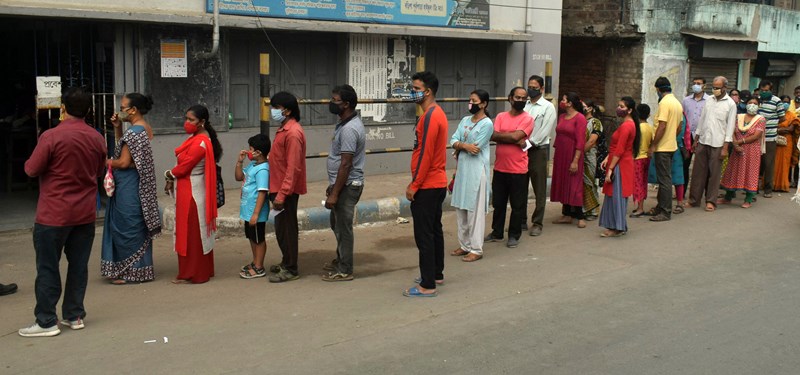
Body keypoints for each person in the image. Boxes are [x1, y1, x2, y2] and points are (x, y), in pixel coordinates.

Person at [19, 87, 106, 337]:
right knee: (78, 266)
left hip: (54, 213)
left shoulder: (51, 137)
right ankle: (74, 314)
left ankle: (46, 320)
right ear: (89, 110)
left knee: (48, 267)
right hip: (85, 213)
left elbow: (31, 169)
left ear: (63, 108)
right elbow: (99, 172)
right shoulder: (97, 138)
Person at [101, 93, 161, 285]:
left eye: (123, 107)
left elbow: (124, 161)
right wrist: (118, 129)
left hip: (129, 184)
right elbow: (128, 151)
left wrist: (103, 162)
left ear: (133, 110)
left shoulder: (134, 132)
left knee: (126, 224)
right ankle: (139, 269)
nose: (120, 111)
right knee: (135, 223)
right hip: (138, 184)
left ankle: (128, 271)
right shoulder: (143, 128)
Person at [164, 105, 222, 284]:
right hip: (189, 188)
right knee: (195, 232)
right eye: (186, 118)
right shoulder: (197, 137)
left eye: (191, 120)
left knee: (192, 234)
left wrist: (168, 174)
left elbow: (184, 167)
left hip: (192, 192)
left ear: (202, 122)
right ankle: (199, 270)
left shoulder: (200, 142)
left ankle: (194, 273)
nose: (187, 123)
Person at [403, 71, 448, 297]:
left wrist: (414, 184)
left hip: (428, 184)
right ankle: (436, 274)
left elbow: (425, 155)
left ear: (427, 91)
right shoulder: (435, 113)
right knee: (434, 230)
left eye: (416, 88)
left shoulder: (430, 116)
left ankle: (427, 284)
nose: (412, 92)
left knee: (424, 235)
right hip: (436, 182)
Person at [322, 85, 366, 281]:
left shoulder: (349, 129)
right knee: (336, 223)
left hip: (348, 184)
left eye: (335, 100)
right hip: (341, 183)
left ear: (346, 104)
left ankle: (345, 268)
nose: (331, 103)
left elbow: (346, 164)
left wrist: (334, 193)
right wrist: (333, 185)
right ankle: (341, 258)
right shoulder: (344, 123)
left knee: (343, 227)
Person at [485, 87, 534, 248]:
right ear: (510, 98)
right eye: (517, 97)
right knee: (498, 203)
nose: (520, 100)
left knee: (517, 205)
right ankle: (497, 232)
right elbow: (492, 135)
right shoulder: (500, 116)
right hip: (500, 168)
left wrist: (507, 137)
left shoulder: (528, 119)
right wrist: (512, 137)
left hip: (518, 170)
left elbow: (515, 136)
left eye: (523, 98)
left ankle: (514, 235)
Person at [267, 92, 308, 283]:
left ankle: (291, 268)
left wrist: (282, 195)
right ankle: (286, 261)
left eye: (276, 108)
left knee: (288, 229)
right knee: (281, 229)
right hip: (278, 186)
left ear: (287, 110)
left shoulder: (292, 133)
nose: (273, 111)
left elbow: (293, 167)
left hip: (286, 190)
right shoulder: (284, 129)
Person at [449, 89, 493, 262]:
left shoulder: (487, 124)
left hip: (476, 171)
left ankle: (476, 248)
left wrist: (461, 146)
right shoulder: (465, 120)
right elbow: (453, 140)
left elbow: (477, 148)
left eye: (474, 101)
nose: (471, 103)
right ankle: (464, 245)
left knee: (474, 211)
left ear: (483, 104)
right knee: (461, 207)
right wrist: (463, 146)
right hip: (462, 170)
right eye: (470, 100)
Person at [688, 76, 737, 212]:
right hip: (703, 140)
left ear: (724, 88)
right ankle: (694, 200)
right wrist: (696, 139)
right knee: (698, 173)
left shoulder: (730, 104)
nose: (715, 90)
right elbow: (702, 120)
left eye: (717, 88)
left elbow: (730, 127)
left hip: (718, 143)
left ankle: (711, 201)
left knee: (714, 175)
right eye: (713, 87)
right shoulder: (709, 100)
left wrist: (725, 147)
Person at [599, 97, 641, 237]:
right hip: (619, 162)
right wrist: (607, 158)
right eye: (618, 105)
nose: (618, 108)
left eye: (622, 106)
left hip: (620, 164)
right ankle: (616, 225)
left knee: (616, 196)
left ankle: (617, 227)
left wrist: (610, 169)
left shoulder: (627, 126)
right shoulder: (628, 124)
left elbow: (620, 149)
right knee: (614, 195)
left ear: (630, 110)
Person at [523, 75, 557, 237]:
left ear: (542, 89)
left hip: (537, 150)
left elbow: (545, 131)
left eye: (535, 87)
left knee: (539, 188)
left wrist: (528, 144)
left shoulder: (547, 107)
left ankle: (537, 222)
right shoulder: (525, 105)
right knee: (520, 186)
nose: (531, 89)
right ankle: (520, 220)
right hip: (521, 150)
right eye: (529, 86)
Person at [647, 77, 683, 222]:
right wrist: (671, 137)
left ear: (658, 89)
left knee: (664, 180)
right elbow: (679, 127)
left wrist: (654, 144)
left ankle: (665, 211)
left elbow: (661, 126)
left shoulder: (664, 103)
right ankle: (660, 207)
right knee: (664, 178)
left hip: (663, 147)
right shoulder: (677, 103)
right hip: (671, 145)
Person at [719, 97, 766, 208]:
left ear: (759, 106)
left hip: (752, 150)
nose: (752, 105)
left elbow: (756, 136)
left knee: (750, 172)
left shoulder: (761, 119)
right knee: (733, 171)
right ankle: (728, 196)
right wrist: (735, 144)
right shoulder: (738, 117)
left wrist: (739, 142)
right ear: (746, 104)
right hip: (736, 149)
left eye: (755, 103)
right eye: (750, 103)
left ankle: (748, 199)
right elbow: (731, 130)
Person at [235, 134, 271, 279]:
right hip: (247, 211)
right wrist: (239, 162)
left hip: (255, 212)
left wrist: (256, 214)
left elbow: (262, 192)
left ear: (258, 152)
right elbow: (239, 177)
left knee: (258, 238)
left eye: (250, 149)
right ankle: (255, 261)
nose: (248, 151)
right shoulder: (253, 165)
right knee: (251, 237)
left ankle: (259, 266)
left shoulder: (263, 170)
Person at [551, 92, 587, 228]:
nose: (562, 101)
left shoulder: (580, 118)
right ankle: (566, 214)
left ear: (570, 103)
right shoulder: (561, 116)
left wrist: (575, 160)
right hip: (561, 154)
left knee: (574, 183)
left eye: (564, 100)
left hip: (573, 154)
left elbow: (581, 141)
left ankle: (580, 215)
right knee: (563, 182)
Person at [757, 80, 786, 198]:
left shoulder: (777, 101)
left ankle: (768, 189)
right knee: (756, 163)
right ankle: (753, 187)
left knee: (768, 163)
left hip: (770, 137)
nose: (764, 92)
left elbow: (782, 118)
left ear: (771, 90)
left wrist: (772, 124)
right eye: (762, 90)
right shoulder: (757, 100)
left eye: (766, 90)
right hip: (756, 137)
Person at [683, 77, 711, 188]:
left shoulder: (710, 100)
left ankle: (703, 192)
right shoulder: (686, 100)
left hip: (703, 136)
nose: (696, 85)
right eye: (694, 83)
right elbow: (683, 117)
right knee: (685, 164)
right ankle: (682, 191)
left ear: (704, 86)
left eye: (699, 83)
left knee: (703, 166)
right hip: (688, 136)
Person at [630, 104, 654, 217]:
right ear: (649, 114)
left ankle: (640, 208)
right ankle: (640, 206)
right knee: (643, 182)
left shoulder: (637, 128)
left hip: (637, 158)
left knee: (638, 183)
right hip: (646, 158)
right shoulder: (650, 127)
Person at [582, 99, 603, 220]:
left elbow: (591, 141)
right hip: (580, 155)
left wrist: (579, 153)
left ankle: (593, 210)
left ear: (590, 108)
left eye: (584, 106)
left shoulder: (595, 122)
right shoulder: (580, 120)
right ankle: (583, 208)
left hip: (590, 155)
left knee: (589, 182)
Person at [774, 97, 799, 192]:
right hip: (775, 140)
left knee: (785, 163)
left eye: (787, 102)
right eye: (783, 102)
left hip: (787, 142)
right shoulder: (775, 114)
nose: (785, 104)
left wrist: (778, 129)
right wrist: (782, 129)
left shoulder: (792, 116)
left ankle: (782, 185)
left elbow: (791, 129)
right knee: (774, 162)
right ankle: (772, 184)